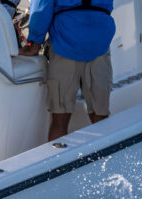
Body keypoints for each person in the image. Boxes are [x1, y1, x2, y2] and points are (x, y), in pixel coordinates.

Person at [19, 0, 115, 141]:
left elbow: (42, 6)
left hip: (64, 45)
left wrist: (34, 42)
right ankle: (105, 161)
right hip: (99, 45)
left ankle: (56, 159)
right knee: (100, 118)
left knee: (60, 119)